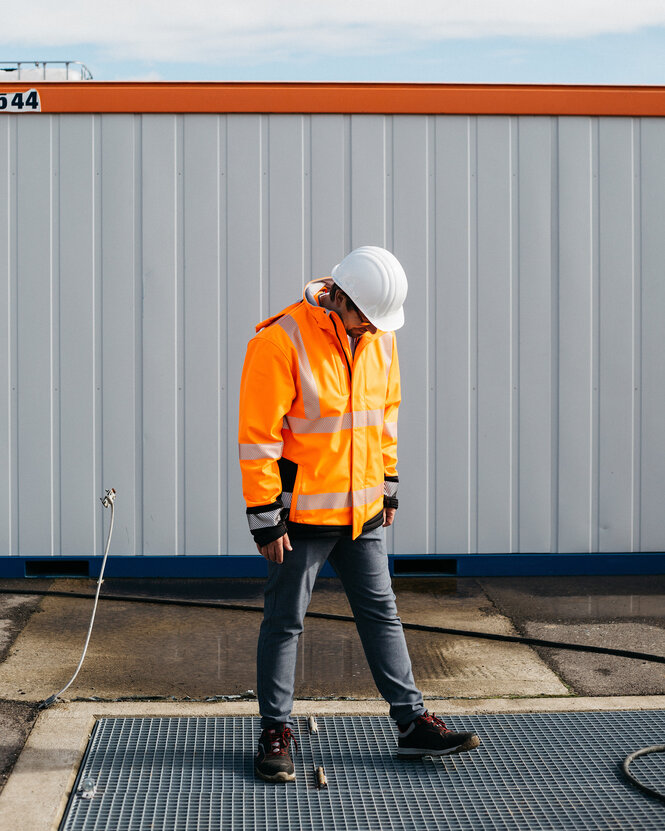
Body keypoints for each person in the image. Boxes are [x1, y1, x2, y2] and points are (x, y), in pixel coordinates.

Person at [238, 246, 479, 782]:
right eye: (364, 316)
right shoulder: (280, 341)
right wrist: (265, 516)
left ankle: (412, 723)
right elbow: (258, 439)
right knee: (284, 622)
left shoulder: (381, 339)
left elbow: (384, 418)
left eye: (377, 321)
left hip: (362, 511)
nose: (371, 327)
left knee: (382, 615)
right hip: (300, 519)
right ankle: (275, 731)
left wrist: (388, 487)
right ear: (338, 299)